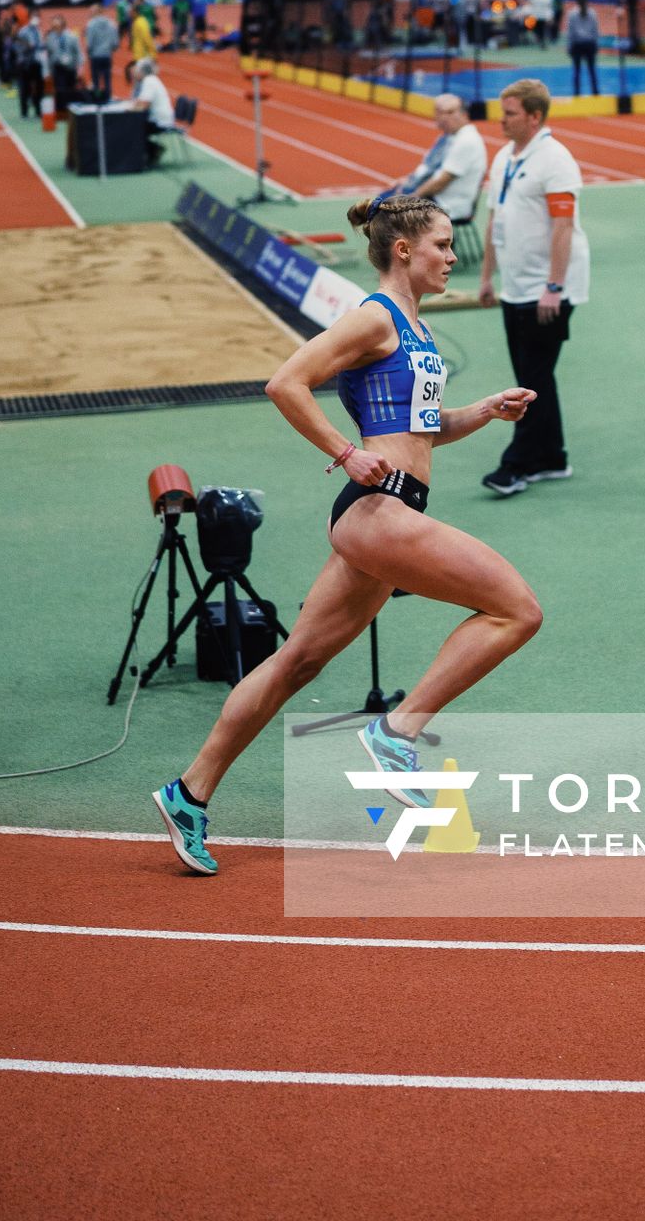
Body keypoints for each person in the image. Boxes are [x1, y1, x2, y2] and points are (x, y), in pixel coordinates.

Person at [151, 194, 541, 875]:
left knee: (297, 662)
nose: (452, 257)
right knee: (517, 610)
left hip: (390, 511)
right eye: (443, 245)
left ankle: (188, 792)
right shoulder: (374, 317)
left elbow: (425, 431)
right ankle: (397, 732)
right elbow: (286, 382)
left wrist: (482, 410)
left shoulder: (413, 329)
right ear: (403, 250)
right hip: (378, 508)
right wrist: (346, 452)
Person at [479, 78, 590, 496]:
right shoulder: (505, 157)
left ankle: (517, 465)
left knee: (532, 378)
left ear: (534, 116)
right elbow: (495, 219)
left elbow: (563, 227)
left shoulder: (556, 161)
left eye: (510, 114)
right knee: (533, 375)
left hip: (548, 290)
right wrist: (488, 276)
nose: (501, 121)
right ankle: (552, 458)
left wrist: (554, 287)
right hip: (514, 285)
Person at [386, 93, 487, 223]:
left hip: (449, 204)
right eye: (439, 112)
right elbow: (428, 169)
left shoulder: (467, 140)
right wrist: (407, 181)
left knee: (387, 211)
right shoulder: (447, 138)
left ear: (464, 114)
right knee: (383, 201)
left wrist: (411, 197)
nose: (443, 117)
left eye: (450, 112)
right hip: (436, 198)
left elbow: (440, 182)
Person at [129, 55, 175, 165]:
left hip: (160, 121)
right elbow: (140, 101)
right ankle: (151, 151)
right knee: (135, 127)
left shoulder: (149, 82)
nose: (134, 73)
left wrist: (129, 108)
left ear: (141, 72)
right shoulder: (151, 80)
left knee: (133, 129)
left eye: (136, 71)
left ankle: (153, 150)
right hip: (160, 118)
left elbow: (144, 105)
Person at [45, 14, 82, 115]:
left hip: (70, 67)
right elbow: (48, 54)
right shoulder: (50, 38)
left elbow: (78, 53)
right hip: (58, 67)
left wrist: (80, 69)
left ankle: (71, 111)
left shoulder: (72, 36)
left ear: (63, 25)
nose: (55, 28)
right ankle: (61, 111)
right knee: (60, 89)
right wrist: (48, 70)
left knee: (71, 89)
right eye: (54, 27)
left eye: (57, 26)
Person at [566, 0, 600, 97]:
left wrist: (569, 45)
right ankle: (595, 92)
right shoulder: (592, 13)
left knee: (577, 71)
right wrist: (595, 44)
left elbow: (570, 32)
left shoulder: (572, 13)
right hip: (589, 44)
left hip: (577, 45)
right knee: (592, 70)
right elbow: (595, 31)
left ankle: (577, 93)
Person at [84, 3, 117, 100]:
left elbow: (89, 42)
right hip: (107, 55)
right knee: (107, 79)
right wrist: (110, 49)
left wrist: (88, 52)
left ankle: (97, 98)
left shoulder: (91, 24)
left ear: (98, 11)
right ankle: (108, 97)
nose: (90, 13)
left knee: (96, 80)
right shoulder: (111, 23)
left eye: (92, 11)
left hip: (95, 56)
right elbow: (115, 42)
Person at [130, 0, 156, 64]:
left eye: (131, 11)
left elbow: (147, 38)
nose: (130, 13)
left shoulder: (141, 23)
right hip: (139, 55)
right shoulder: (136, 22)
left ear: (135, 12)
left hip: (143, 56)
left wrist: (152, 53)